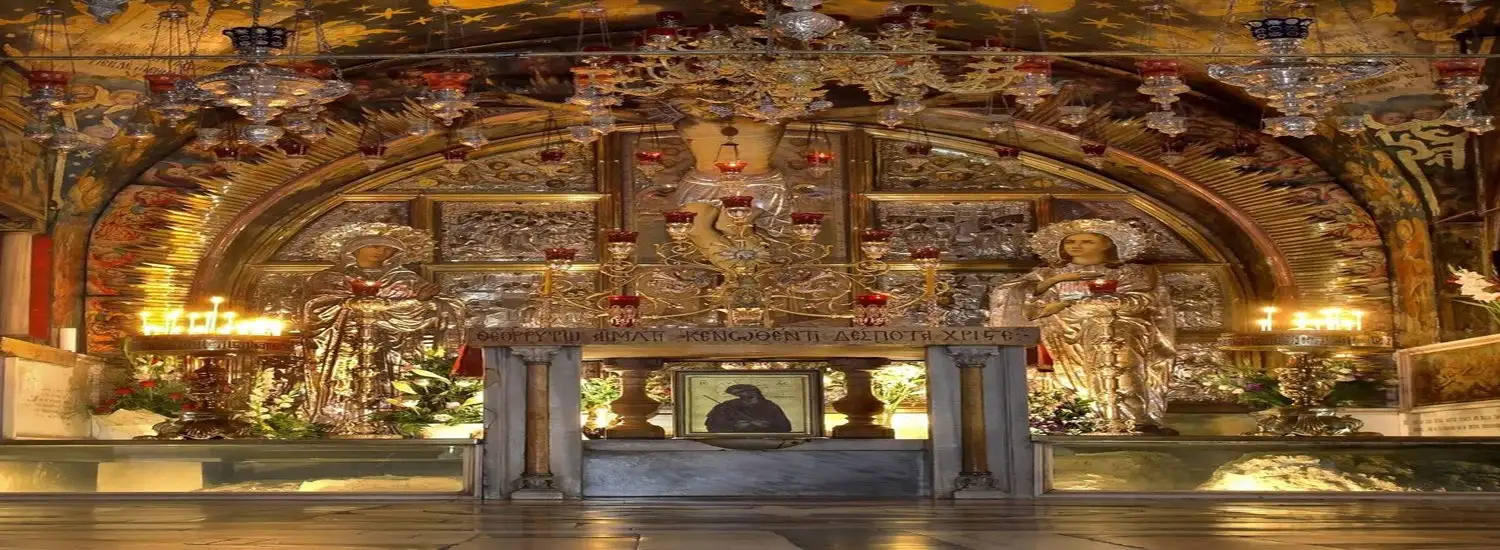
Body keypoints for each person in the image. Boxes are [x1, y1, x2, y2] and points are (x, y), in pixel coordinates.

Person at [987, 219, 1177, 434]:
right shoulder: (1047, 274)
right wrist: (1059, 290)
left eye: (1087, 241)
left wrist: (1103, 302)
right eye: (1071, 242)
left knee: (1124, 368)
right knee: (1067, 376)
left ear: (1108, 244)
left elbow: (1143, 300)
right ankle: (1079, 417)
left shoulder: (1133, 273)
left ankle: (1130, 419)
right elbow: (1025, 300)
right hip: (1062, 332)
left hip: (1119, 329)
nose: (1076, 246)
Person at [302, 223, 466, 434]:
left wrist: (423, 301)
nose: (382, 252)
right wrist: (359, 304)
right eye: (375, 246)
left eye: (388, 249)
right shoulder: (329, 279)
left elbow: (436, 306)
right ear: (354, 249)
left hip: (395, 343)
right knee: (344, 382)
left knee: (394, 381)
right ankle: (339, 419)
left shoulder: (405, 278)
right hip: (345, 342)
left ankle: (397, 419)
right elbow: (317, 307)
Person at [704, 384, 793, 433]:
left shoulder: (771, 407)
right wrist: (734, 425)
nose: (745, 397)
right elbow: (712, 425)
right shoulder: (726, 406)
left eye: (750, 395)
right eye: (739, 394)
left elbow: (785, 427)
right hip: (733, 442)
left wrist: (767, 425)